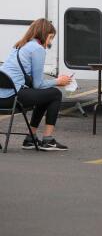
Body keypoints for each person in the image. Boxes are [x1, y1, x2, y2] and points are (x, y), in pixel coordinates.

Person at [0, 19, 72, 151]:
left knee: (45, 95)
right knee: (55, 94)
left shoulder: (20, 46)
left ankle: (30, 139)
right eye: (50, 38)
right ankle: (48, 140)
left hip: (1, 98)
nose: (50, 42)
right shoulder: (37, 49)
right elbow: (38, 84)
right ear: (43, 34)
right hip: (12, 97)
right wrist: (59, 81)